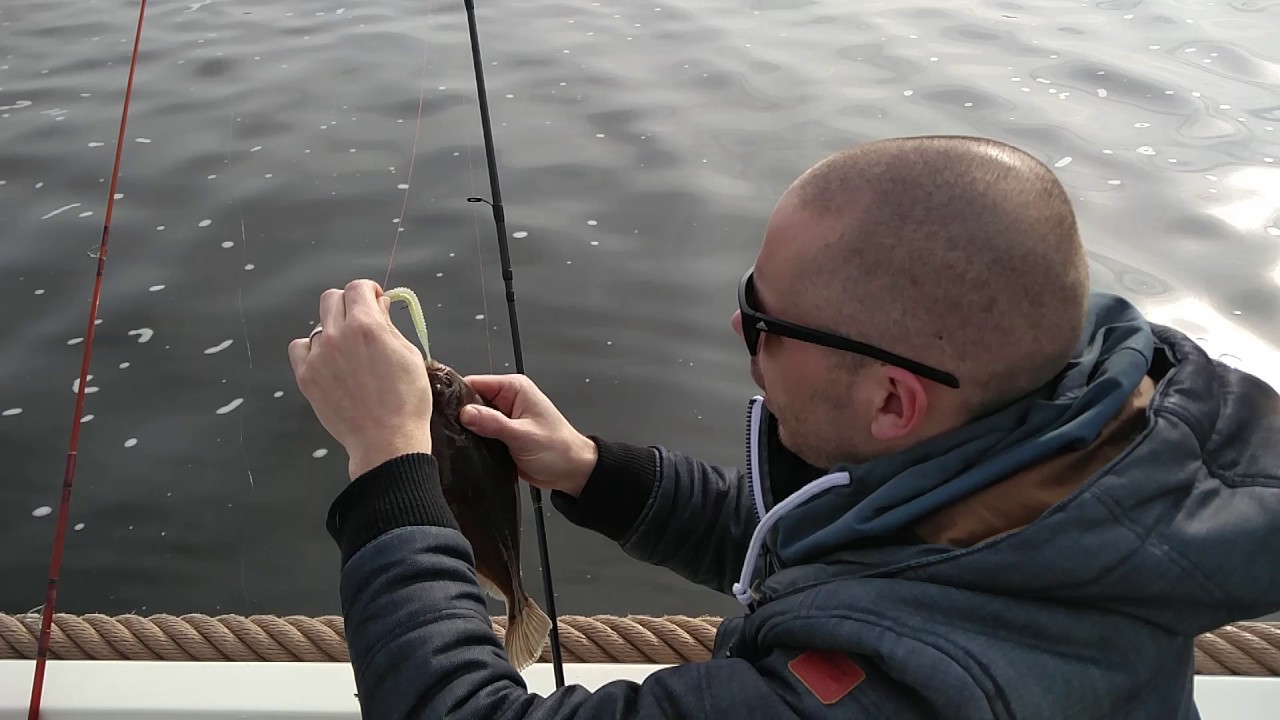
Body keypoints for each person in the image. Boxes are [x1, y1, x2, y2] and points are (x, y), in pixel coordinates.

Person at [288, 135, 1280, 719]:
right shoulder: (1074, 465)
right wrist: (592, 472)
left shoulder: (895, 691)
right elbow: (832, 544)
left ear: (894, 399)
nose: (736, 327)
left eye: (763, 319)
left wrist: (386, 454)